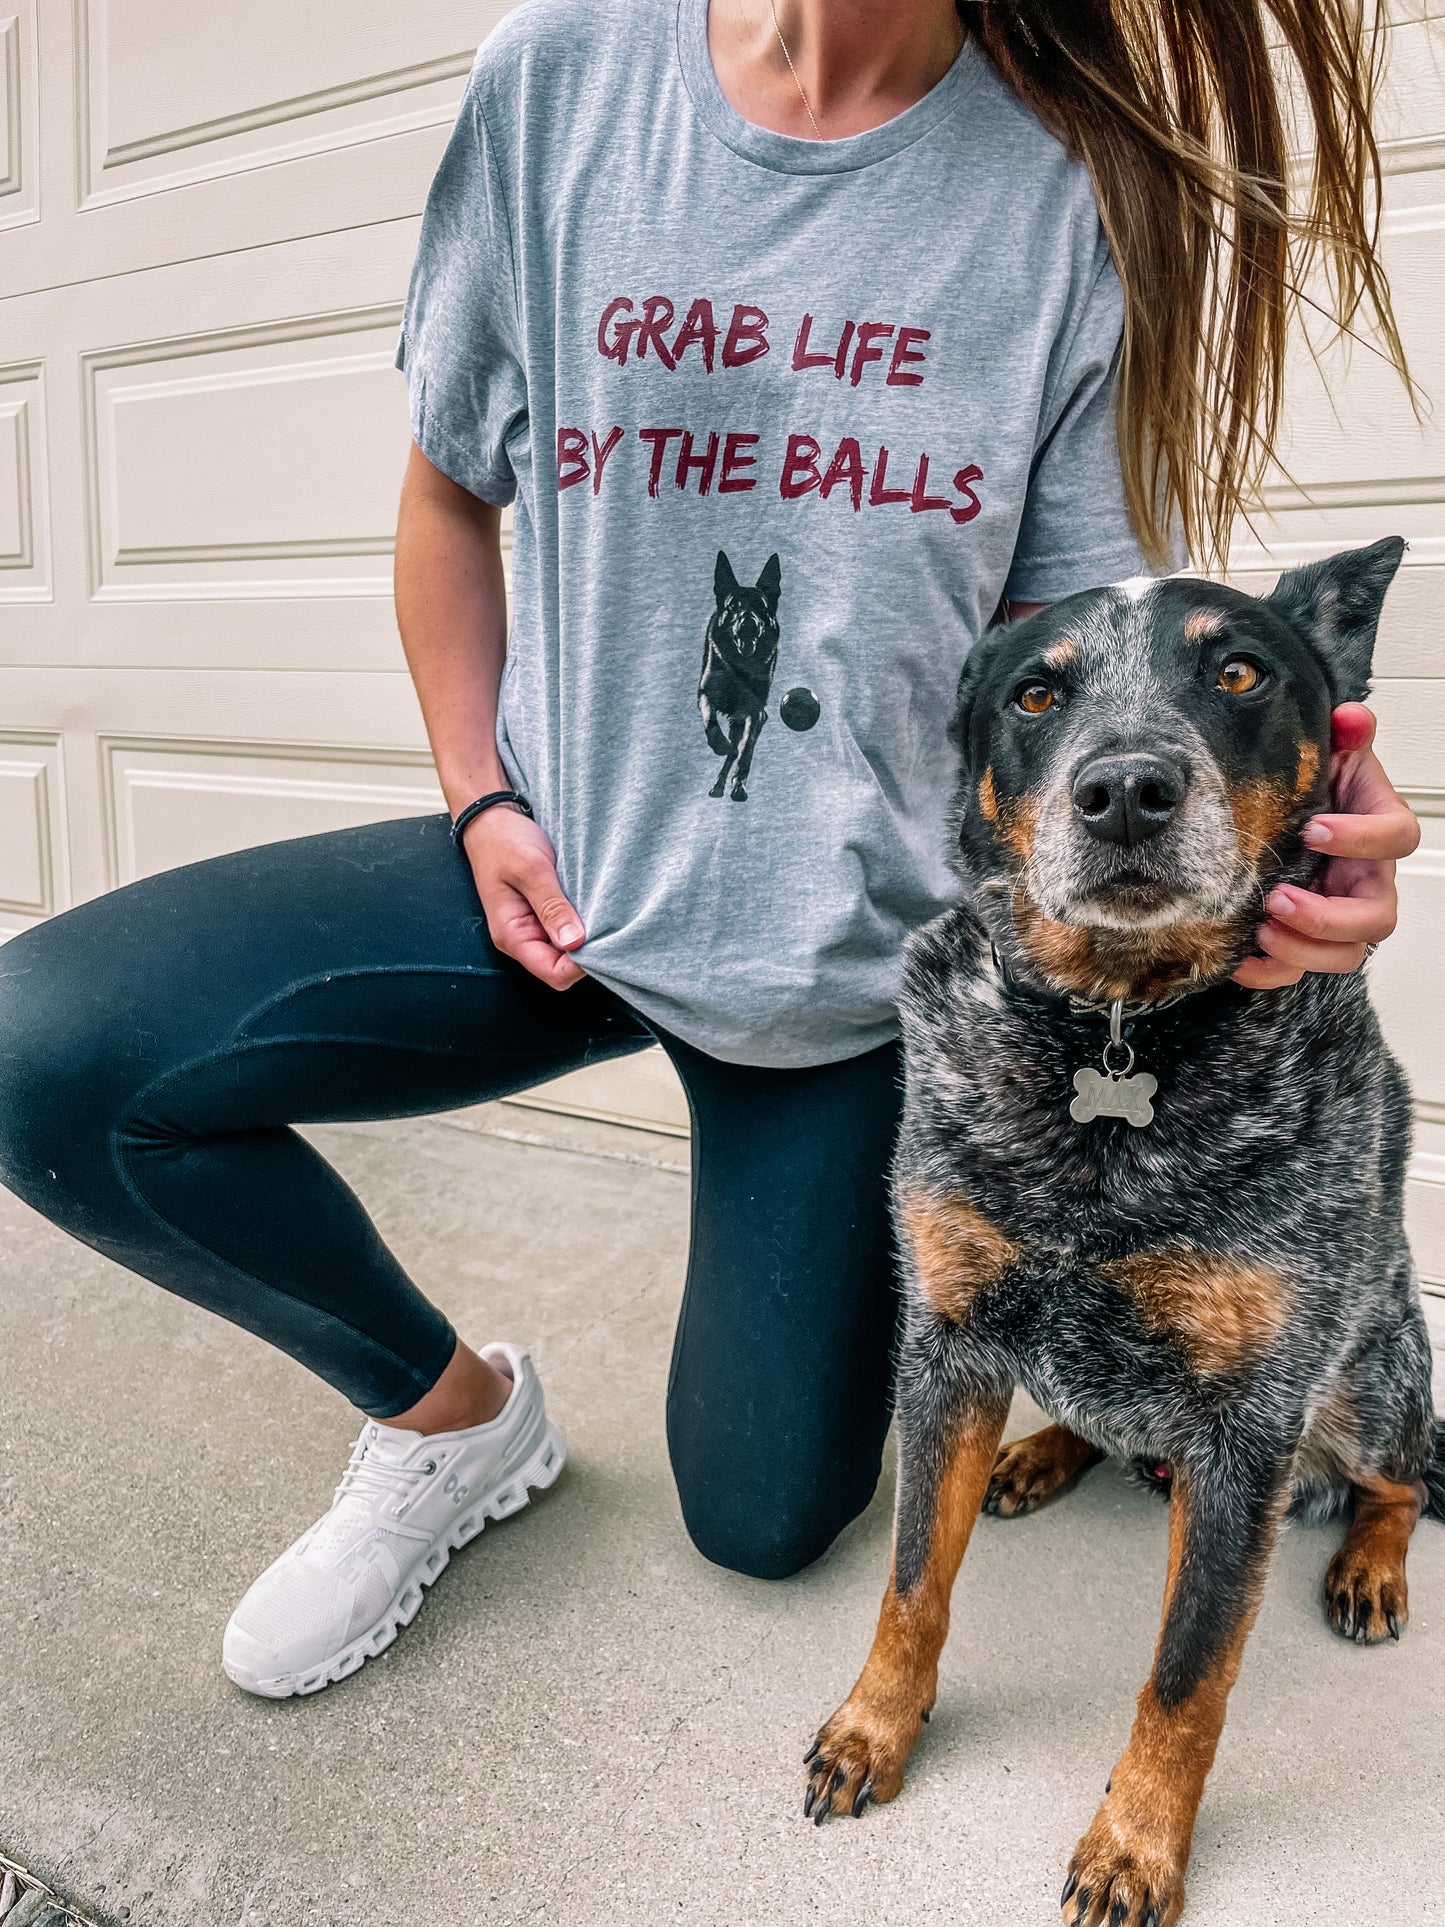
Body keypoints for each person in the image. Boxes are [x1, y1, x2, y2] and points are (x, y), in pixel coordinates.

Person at [0, 0, 1420, 1700]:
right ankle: (453, 1423)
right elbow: (450, 490)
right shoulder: (561, 75)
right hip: (553, 891)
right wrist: (480, 798)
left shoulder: (1067, 182)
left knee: (761, 1515)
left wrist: (1304, 797)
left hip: (848, 979)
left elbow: (1084, 637)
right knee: (46, 1057)